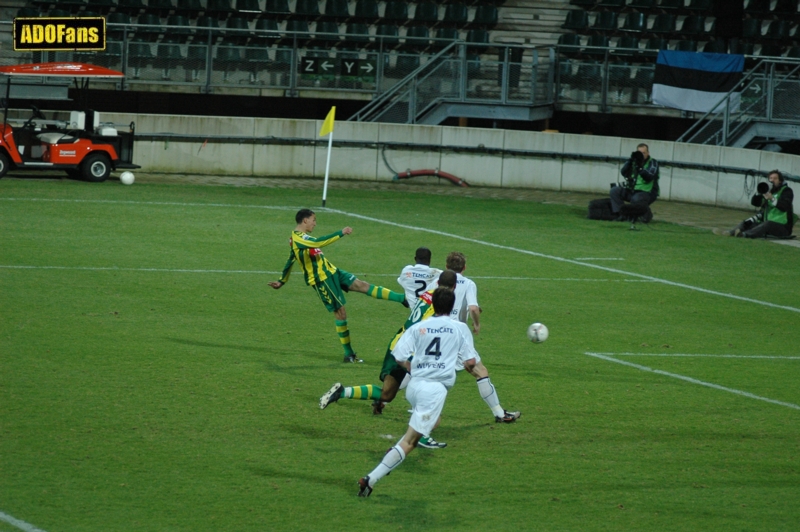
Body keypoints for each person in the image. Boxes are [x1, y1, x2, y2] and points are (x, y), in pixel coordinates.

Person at [320, 271, 460, 449]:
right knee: (428, 393)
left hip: (397, 344)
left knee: (387, 394)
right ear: (454, 287)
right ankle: (423, 435)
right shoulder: (441, 304)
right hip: (409, 351)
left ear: (438, 282)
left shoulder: (428, 295)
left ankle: (342, 392)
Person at [357, 288, 476, 497]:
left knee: (434, 421)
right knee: (410, 441)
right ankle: (371, 478)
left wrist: (413, 368)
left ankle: (396, 453)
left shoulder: (419, 327)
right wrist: (463, 365)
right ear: (452, 305)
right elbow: (470, 361)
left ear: (433, 305)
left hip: (414, 386)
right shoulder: (459, 328)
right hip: (434, 389)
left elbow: (399, 355)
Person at [269, 208, 408, 363]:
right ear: (305, 220)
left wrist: (282, 280)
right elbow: (318, 242)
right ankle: (348, 354)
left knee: (361, 285)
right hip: (322, 280)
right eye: (313, 219)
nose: (315, 223)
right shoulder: (297, 238)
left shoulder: (303, 237)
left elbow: (291, 258)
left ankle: (404, 298)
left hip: (332, 271)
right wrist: (341, 232)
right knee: (340, 312)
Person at [437, 251, 520, 424]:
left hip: (434, 329)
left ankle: (385, 395)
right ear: (464, 267)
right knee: (480, 371)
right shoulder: (468, 283)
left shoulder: (438, 279)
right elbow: (473, 308)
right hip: (456, 334)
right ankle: (499, 413)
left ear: (446, 267)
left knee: (423, 368)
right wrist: (476, 324)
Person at [716, 170, 795, 239]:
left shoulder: (787, 191)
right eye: (770, 178)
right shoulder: (768, 191)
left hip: (783, 227)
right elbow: (755, 203)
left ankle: (744, 235)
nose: (772, 180)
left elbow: (785, 206)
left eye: (775, 178)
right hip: (767, 224)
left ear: (780, 181)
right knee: (747, 222)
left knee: (767, 224)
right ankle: (731, 232)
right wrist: (759, 192)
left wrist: (772, 198)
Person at [610, 143, 659, 222]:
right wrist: (630, 161)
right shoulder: (633, 161)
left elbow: (649, 177)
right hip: (632, 190)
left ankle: (646, 213)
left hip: (647, 192)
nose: (642, 155)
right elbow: (623, 172)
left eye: (644, 153)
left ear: (648, 153)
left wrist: (640, 168)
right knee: (614, 191)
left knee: (636, 198)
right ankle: (621, 215)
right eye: (640, 153)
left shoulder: (653, 163)